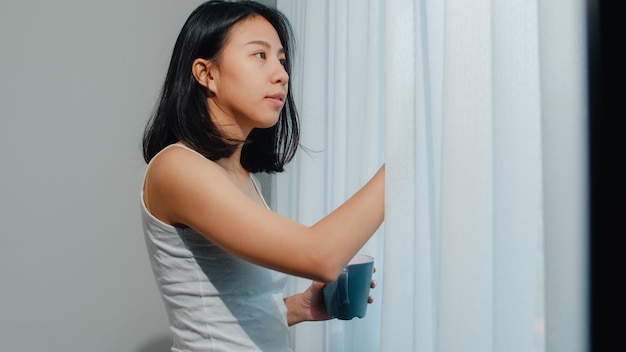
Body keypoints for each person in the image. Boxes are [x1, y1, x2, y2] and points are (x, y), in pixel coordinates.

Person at [140, 1, 385, 351]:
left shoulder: (238, 176)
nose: (281, 74)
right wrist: (402, 168)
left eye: (282, 60)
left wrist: (296, 308)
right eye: (260, 55)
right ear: (206, 73)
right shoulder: (176, 168)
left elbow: (220, 313)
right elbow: (322, 257)